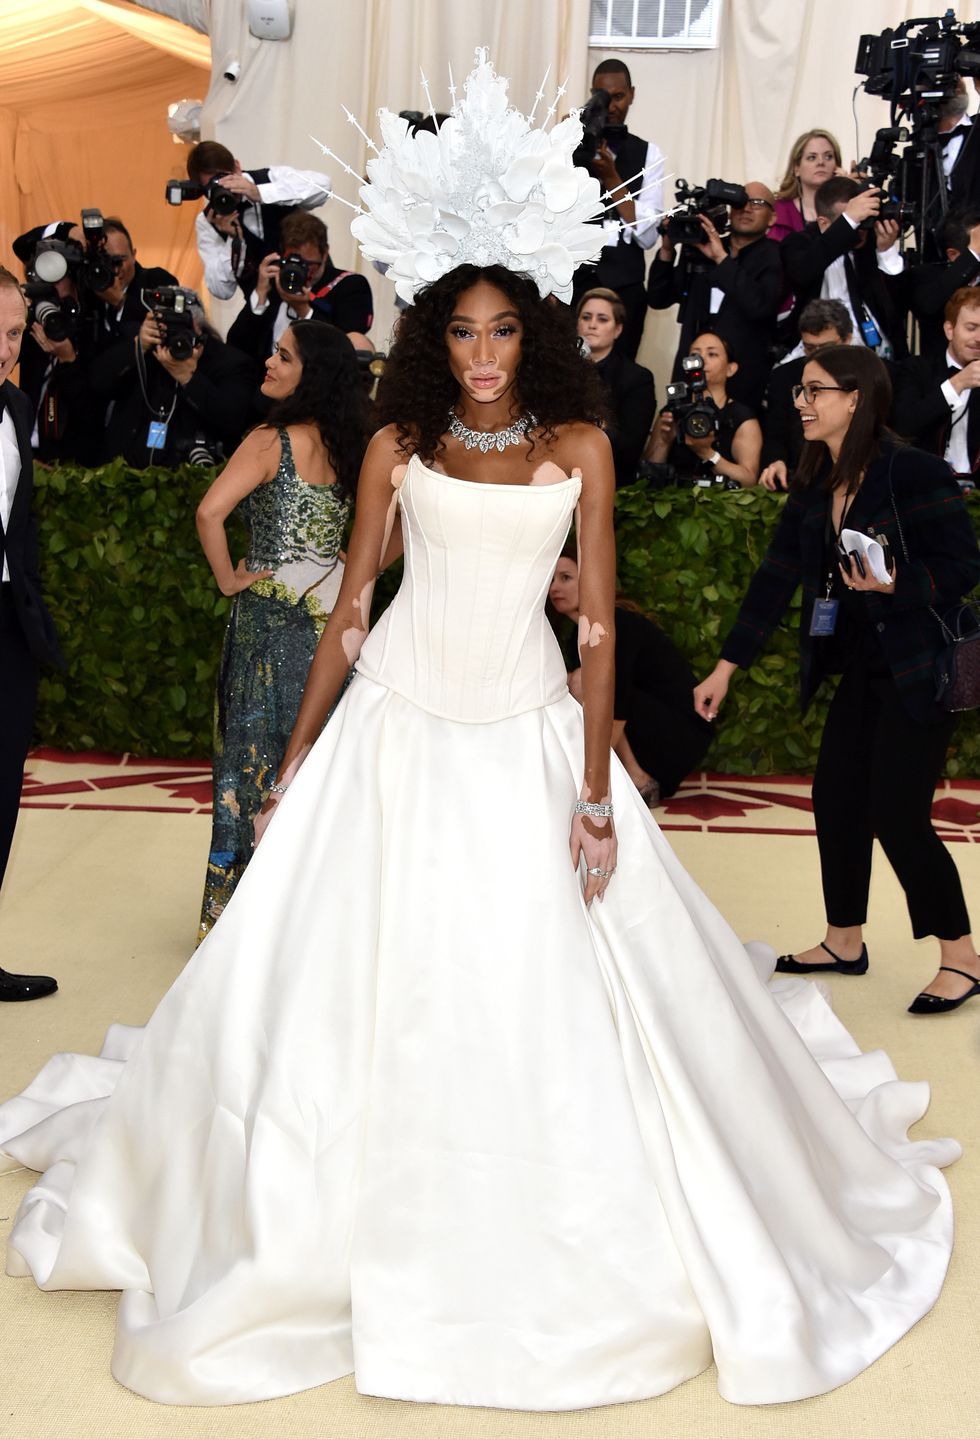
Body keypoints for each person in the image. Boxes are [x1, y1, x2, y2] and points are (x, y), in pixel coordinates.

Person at [0, 59, 964, 1414]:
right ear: (432, 337)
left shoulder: (581, 445)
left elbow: (599, 630)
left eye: (504, 328)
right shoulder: (398, 440)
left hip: (523, 728)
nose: (484, 352)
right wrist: (293, 761)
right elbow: (350, 612)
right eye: (461, 330)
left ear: (538, 330)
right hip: (391, 722)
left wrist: (594, 789)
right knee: (318, 978)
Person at [695, 344, 980, 1015]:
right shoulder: (816, 479)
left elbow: (964, 566)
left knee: (898, 814)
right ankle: (844, 939)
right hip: (864, 664)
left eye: (816, 390)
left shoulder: (912, 470)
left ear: (855, 398)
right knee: (836, 796)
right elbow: (774, 580)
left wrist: (895, 583)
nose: (802, 402)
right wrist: (725, 668)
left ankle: (963, 958)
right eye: (800, 390)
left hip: (920, 666)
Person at [195, 322, 368, 939]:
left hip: (268, 627)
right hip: (333, 625)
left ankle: (240, 921)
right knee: (322, 763)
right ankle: (314, 920)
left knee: (252, 760)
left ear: (310, 374)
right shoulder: (352, 446)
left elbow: (210, 512)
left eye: (283, 356)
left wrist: (227, 579)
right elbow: (393, 527)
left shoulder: (270, 441)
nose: (269, 362)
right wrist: (353, 564)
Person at [0, 267, 60, 1001]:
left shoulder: (16, 405)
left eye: (15, 332)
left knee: (2, 792)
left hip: (9, 626)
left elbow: (21, 521)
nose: (6, 348)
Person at [549, 547, 711, 806]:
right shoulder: (578, 636)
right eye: (551, 580)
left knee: (584, 682)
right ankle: (627, 777)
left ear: (590, 579)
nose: (555, 588)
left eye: (566, 578)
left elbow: (618, 700)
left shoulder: (619, 622)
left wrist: (593, 774)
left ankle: (637, 780)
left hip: (680, 734)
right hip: (650, 728)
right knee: (574, 682)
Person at [646, 182, 783, 410]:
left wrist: (721, 258)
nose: (746, 208)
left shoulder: (773, 255)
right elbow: (658, 299)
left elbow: (760, 306)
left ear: (772, 218)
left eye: (757, 203)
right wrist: (667, 250)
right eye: (740, 202)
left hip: (741, 375)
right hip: (690, 367)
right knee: (675, 423)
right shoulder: (701, 247)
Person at [93, 287, 255, 468]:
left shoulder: (231, 363)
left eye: (181, 325)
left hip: (190, 473)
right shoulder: (146, 347)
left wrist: (189, 378)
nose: (172, 333)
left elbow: (232, 419)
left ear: (198, 326)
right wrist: (139, 346)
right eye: (165, 325)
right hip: (125, 467)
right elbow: (99, 383)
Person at [569, 58, 665, 358]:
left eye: (619, 96)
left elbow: (648, 236)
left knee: (621, 372)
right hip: (574, 281)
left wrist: (612, 178)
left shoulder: (648, 153)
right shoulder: (569, 146)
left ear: (632, 95)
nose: (610, 106)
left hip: (625, 286)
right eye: (602, 97)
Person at [227, 211, 374, 380]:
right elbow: (236, 346)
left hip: (319, 387)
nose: (298, 270)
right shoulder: (276, 283)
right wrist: (260, 295)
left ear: (325, 254)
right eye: (292, 262)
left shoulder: (350, 286)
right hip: (268, 384)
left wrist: (304, 310)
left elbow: (346, 348)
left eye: (308, 264)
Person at [186, 139, 332, 301]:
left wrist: (261, 192)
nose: (223, 188)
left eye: (225, 179)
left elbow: (324, 187)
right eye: (213, 187)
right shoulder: (208, 222)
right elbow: (221, 291)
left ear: (237, 167)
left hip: (318, 293)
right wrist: (232, 242)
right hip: (265, 309)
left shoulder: (270, 178)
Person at [781, 176, 907, 361]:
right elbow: (802, 273)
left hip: (878, 358)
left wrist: (886, 251)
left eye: (861, 220)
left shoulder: (871, 243)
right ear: (824, 223)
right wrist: (849, 221)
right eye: (854, 222)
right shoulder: (800, 244)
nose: (859, 229)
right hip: (817, 355)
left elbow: (899, 306)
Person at [644, 331, 762, 487]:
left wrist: (707, 453)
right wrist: (665, 442)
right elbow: (647, 475)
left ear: (730, 368)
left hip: (720, 499)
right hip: (673, 495)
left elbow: (749, 480)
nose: (701, 360)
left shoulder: (742, 418)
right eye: (695, 354)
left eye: (712, 354)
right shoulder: (673, 411)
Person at [760, 298, 853, 491]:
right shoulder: (784, 377)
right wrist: (776, 462)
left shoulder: (869, 374)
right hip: (802, 478)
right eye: (810, 348)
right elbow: (776, 433)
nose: (818, 355)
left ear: (847, 339)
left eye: (826, 347)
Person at [891, 285, 980, 479]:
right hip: (926, 483)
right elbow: (903, 427)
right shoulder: (917, 369)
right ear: (949, 330)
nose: (978, 338)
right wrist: (958, 383)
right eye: (971, 328)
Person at [576, 287, 654, 486]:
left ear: (617, 329)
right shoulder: (558, 370)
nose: (592, 325)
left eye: (602, 319)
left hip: (612, 481)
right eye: (586, 317)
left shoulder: (637, 378)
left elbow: (630, 449)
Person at [907, 205, 980, 361]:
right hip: (941, 371)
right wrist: (973, 254)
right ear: (953, 254)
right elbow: (928, 307)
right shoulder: (927, 276)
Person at [769, 130, 844, 243]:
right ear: (796, 169)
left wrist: (848, 191)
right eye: (812, 157)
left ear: (837, 166)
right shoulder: (781, 211)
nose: (821, 162)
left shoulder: (849, 207)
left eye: (828, 157)